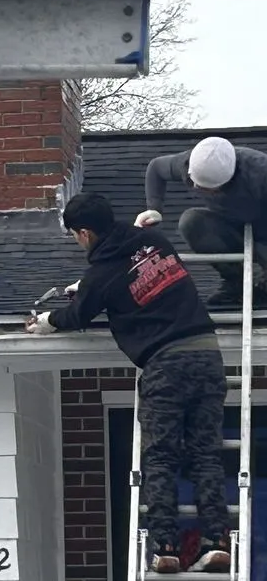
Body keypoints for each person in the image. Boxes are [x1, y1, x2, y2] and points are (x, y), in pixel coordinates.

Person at [25, 193, 232, 575]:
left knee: (161, 457)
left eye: (74, 235)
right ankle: (217, 542)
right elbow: (130, 266)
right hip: (207, 354)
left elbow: (78, 314)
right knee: (205, 453)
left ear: (84, 233)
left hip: (165, 365)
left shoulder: (102, 274)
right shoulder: (154, 241)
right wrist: (84, 285)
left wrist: (46, 321)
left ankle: (166, 548)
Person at [137, 135, 267, 307]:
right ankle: (236, 283)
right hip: (230, 227)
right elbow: (156, 168)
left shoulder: (259, 172)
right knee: (191, 221)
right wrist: (154, 208)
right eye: (195, 183)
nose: (197, 189)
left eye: (207, 189)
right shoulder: (190, 162)